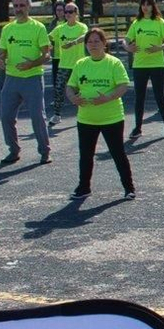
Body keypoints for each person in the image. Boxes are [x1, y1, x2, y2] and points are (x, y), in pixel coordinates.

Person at [67, 26, 135, 200]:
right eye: (89, 41)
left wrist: (108, 98)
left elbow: (123, 86)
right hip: (86, 118)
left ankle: (129, 187)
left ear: (104, 43)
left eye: (97, 41)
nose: (93, 44)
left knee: (117, 153)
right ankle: (84, 187)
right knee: (86, 154)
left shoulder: (113, 63)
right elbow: (70, 86)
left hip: (111, 118)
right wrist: (72, 98)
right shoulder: (81, 64)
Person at [0, 0, 52, 165]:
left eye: (22, 6)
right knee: (6, 116)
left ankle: (45, 151)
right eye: (16, 6)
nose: (19, 9)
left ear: (29, 7)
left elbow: (47, 54)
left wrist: (33, 64)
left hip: (32, 78)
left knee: (37, 116)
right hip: (12, 79)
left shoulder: (38, 27)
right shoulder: (8, 29)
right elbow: (2, 52)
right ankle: (13, 150)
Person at [126, 0, 164, 140]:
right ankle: (138, 128)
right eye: (143, 4)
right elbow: (126, 40)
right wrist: (128, 47)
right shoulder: (136, 23)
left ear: (153, 6)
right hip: (140, 65)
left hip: (157, 64)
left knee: (160, 96)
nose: (146, 7)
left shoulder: (160, 22)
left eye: (149, 4)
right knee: (139, 97)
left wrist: (159, 48)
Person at [48, 3, 87, 124]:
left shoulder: (81, 26)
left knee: (80, 91)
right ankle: (57, 115)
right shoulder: (60, 28)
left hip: (78, 65)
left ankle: (84, 114)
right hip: (64, 65)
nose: (68, 14)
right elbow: (48, 37)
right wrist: (46, 46)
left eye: (71, 12)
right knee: (59, 89)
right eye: (66, 12)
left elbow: (85, 36)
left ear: (76, 13)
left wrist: (73, 42)